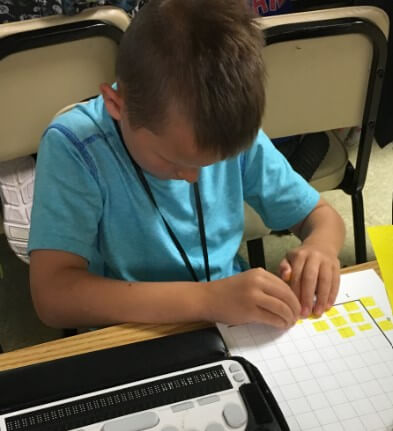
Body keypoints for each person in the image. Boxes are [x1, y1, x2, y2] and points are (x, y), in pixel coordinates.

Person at [28, 0, 345, 331]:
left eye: (214, 162)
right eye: (173, 160)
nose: (193, 177)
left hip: (227, 316)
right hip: (129, 330)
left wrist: (320, 247)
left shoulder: (227, 129)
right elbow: (53, 297)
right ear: (116, 106)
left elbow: (322, 217)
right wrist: (206, 300)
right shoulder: (75, 148)